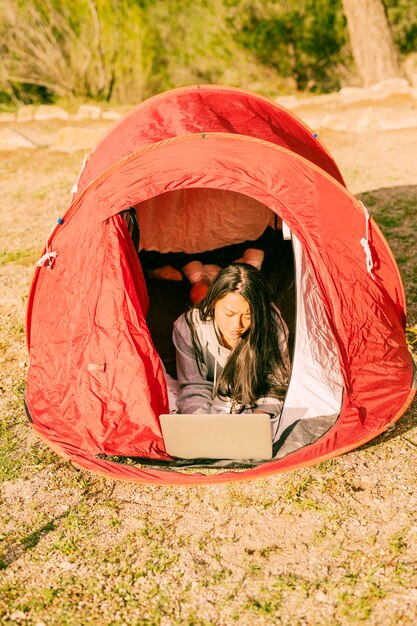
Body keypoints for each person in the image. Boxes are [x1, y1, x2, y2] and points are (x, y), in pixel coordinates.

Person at [172, 263, 290, 418]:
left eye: (248, 316)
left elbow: (275, 384)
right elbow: (194, 386)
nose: (237, 325)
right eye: (229, 313)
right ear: (213, 302)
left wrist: (259, 418)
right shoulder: (189, 328)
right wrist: (200, 421)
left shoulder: (272, 326)